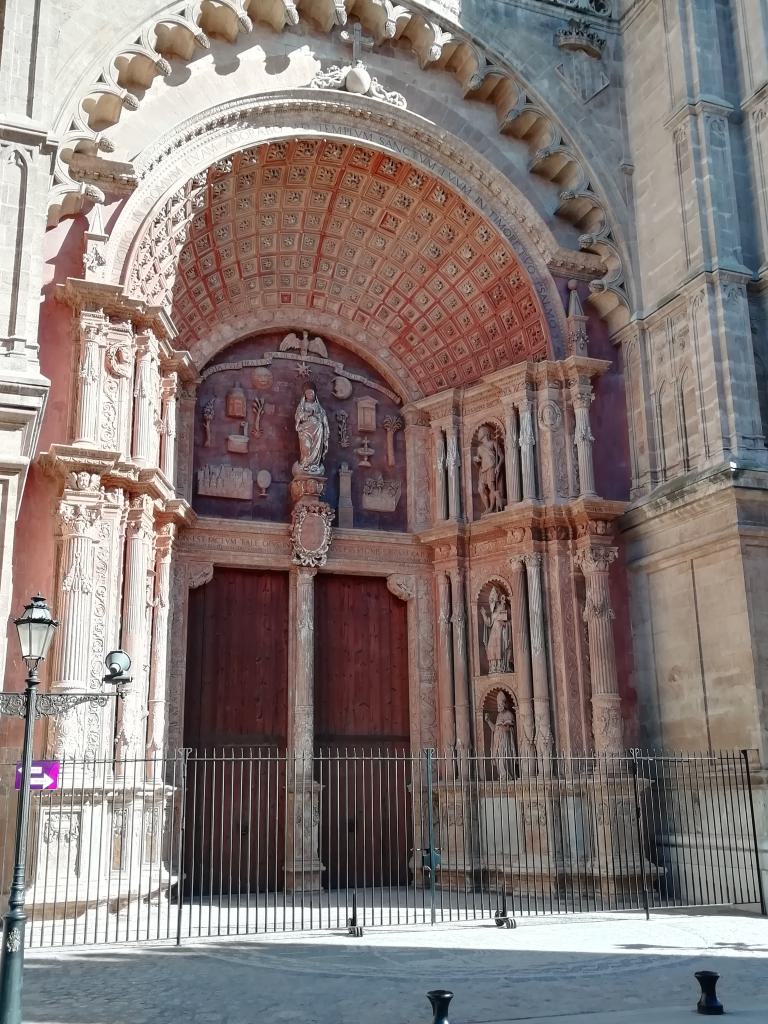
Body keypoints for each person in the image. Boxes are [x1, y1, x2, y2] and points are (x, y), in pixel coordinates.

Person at [295, 383, 329, 474]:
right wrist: (308, 414)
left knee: (316, 447)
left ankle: (314, 465)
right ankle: (305, 464)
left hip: (317, 429)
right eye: (308, 393)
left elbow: (323, 417)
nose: (310, 395)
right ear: (305, 395)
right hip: (305, 430)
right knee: (306, 446)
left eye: (312, 393)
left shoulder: (318, 406)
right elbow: (298, 416)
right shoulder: (302, 405)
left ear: (314, 395)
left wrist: (317, 415)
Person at [484, 690, 517, 782]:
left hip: (505, 741)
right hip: (497, 741)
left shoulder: (509, 714)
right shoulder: (498, 715)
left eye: (499, 705)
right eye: (497, 705)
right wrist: (488, 721)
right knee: (499, 758)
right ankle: (502, 775)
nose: (498, 707)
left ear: (504, 704)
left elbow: (510, 729)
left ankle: (507, 775)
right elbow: (494, 729)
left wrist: (504, 726)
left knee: (504, 757)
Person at [474, 425, 504, 513]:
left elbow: (501, 456)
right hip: (483, 470)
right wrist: (476, 461)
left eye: (480, 432)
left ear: (485, 433)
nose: (478, 434)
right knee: (480, 489)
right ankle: (487, 507)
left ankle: (491, 508)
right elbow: (478, 465)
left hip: (492, 466)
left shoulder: (493, 443)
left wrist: (498, 466)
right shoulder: (479, 448)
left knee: (491, 487)